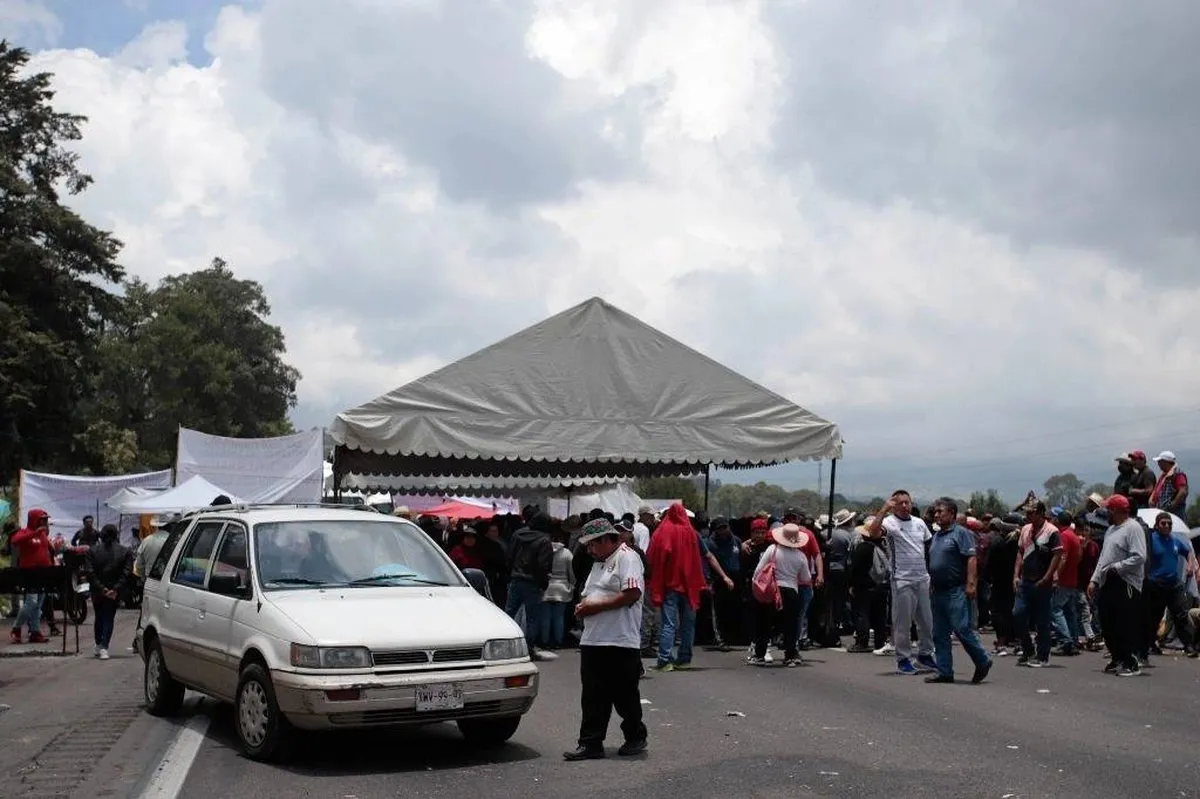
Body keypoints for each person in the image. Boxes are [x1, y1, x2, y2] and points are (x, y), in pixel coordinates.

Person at [563, 518, 647, 761]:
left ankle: (635, 736)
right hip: (593, 640)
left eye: (592, 545)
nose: (590, 550)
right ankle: (590, 742)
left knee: (624, 695)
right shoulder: (599, 563)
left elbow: (631, 594)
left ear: (607, 539)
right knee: (592, 696)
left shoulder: (627, 557)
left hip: (619, 640)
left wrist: (594, 607)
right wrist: (584, 607)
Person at [866, 490, 936, 675]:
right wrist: (883, 510)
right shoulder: (889, 522)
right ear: (894, 505)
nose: (905, 506)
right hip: (902, 580)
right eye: (900, 503)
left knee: (927, 622)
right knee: (903, 623)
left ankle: (925, 655)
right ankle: (903, 658)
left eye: (907, 502)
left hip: (922, 578)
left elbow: (929, 547)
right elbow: (873, 533)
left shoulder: (920, 523)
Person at [926, 498, 992, 684]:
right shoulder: (937, 536)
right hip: (937, 591)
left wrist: (971, 583)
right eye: (936, 512)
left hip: (955, 590)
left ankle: (983, 660)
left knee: (962, 629)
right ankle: (945, 671)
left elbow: (971, 558)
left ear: (952, 514)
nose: (937, 515)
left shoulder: (961, 533)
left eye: (941, 511)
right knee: (939, 633)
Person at [1087, 495, 1147, 677]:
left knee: (1124, 622)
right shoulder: (1111, 530)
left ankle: (1130, 661)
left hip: (1126, 581)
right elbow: (1103, 558)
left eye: (1109, 510)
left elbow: (1139, 556)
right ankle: (1117, 657)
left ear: (1118, 511)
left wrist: (1118, 567)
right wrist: (1094, 580)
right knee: (1106, 620)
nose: (1107, 513)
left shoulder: (1133, 528)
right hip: (1108, 580)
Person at [1012, 500, 1062, 668]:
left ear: (1040, 513)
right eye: (1026, 513)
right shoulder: (1025, 529)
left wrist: (1048, 577)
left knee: (1042, 619)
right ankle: (1028, 649)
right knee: (1017, 614)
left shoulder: (1052, 532)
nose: (1027, 516)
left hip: (1043, 582)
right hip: (1025, 580)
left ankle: (1042, 655)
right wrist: (1015, 576)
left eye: (1031, 513)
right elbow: (1020, 553)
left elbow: (1057, 555)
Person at [86, 524, 133, 659]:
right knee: (109, 617)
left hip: (97, 591)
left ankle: (99, 643)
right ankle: (104, 646)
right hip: (115, 591)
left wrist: (101, 588)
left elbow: (90, 572)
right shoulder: (125, 551)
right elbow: (127, 572)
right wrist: (115, 588)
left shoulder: (92, 551)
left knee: (99, 616)